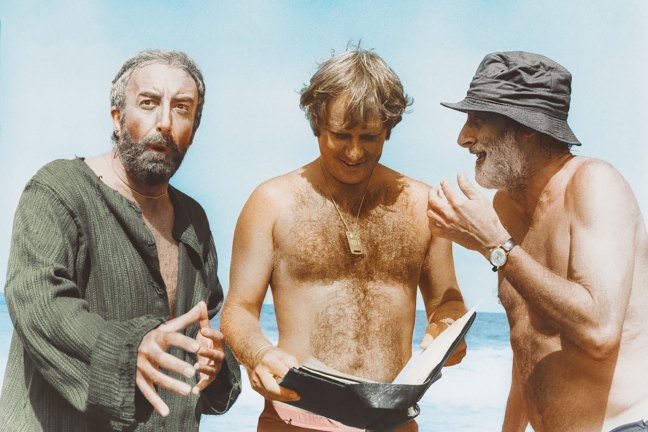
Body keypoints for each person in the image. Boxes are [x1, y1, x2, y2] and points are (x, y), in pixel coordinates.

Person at [221, 48, 467, 432]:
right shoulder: (271, 203)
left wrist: (447, 330)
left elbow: (446, 301)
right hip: (295, 418)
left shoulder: (421, 205)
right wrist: (258, 353)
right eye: (341, 135)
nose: (355, 152)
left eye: (369, 137)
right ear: (317, 123)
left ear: (389, 127)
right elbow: (238, 309)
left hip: (393, 421)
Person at [0, 49, 241, 431]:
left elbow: (207, 321)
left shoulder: (195, 221)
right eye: (148, 103)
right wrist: (128, 350)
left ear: (194, 127)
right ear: (117, 117)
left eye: (182, 108)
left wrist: (214, 359)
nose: (165, 122)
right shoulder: (59, 190)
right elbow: (36, 298)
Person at [428, 51, 648, 432]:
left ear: (526, 126)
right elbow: (528, 344)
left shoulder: (594, 184)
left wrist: (491, 243)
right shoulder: (507, 207)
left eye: (478, 120)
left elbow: (599, 331)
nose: (463, 137)